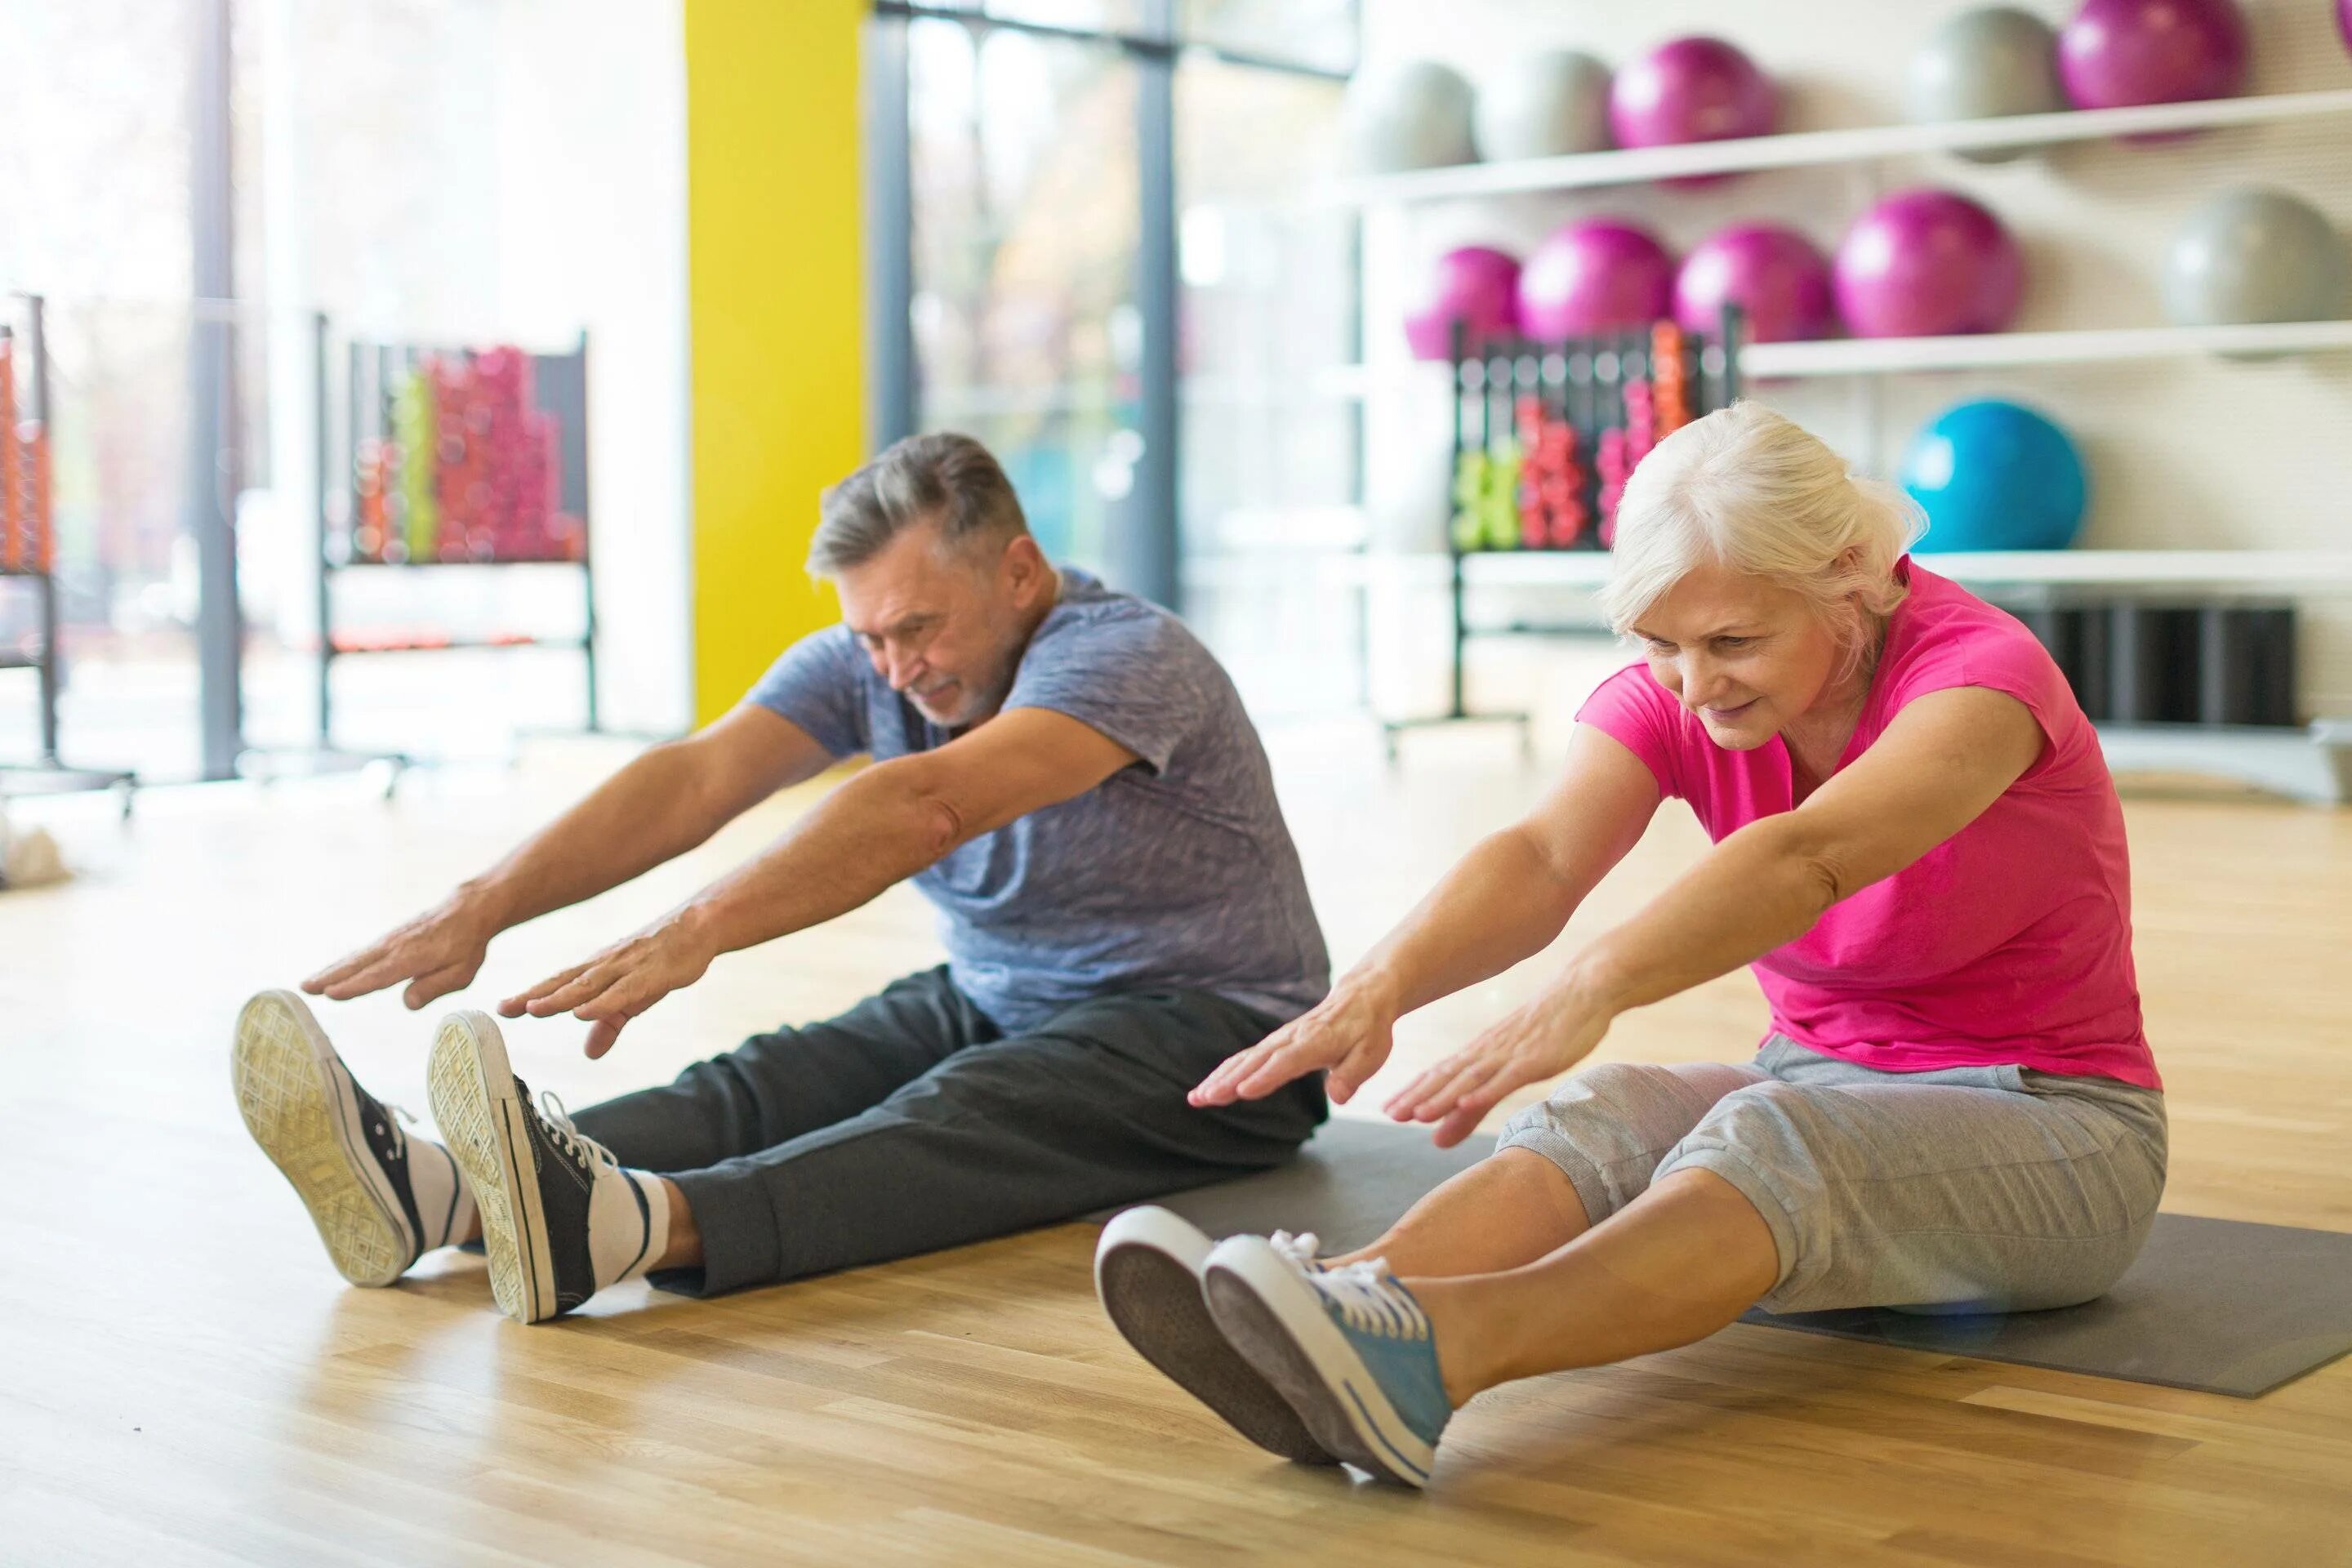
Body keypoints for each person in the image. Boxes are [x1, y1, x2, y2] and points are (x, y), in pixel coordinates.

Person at [1095, 402, 2167, 1487]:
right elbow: (1546, 857)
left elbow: (1810, 858)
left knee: (1775, 1136)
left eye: (1733, 643)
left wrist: (1594, 984)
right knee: (1609, 1112)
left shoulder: (1984, 680)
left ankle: (1432, 1357)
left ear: (1848, 572)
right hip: (1819, 1077)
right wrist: (1378, 989)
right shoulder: (1687, 695)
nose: (1697, 687)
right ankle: (1331, 1314)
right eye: (1663, 647)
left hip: (2058, 1124)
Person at [232, 431, 1330, 1338]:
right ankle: (439, 1193)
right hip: (1010, 993)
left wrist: (699, 928)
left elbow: (930, 804)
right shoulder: (873, 661)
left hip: (1223, 1037)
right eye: (870, 634)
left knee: (962, 1115)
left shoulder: (1126, 655)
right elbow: (697, 778)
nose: (895, 666)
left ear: (1020, 571)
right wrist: (482, 906)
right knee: (765, 1081)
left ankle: (632, 1227)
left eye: (918, 626)